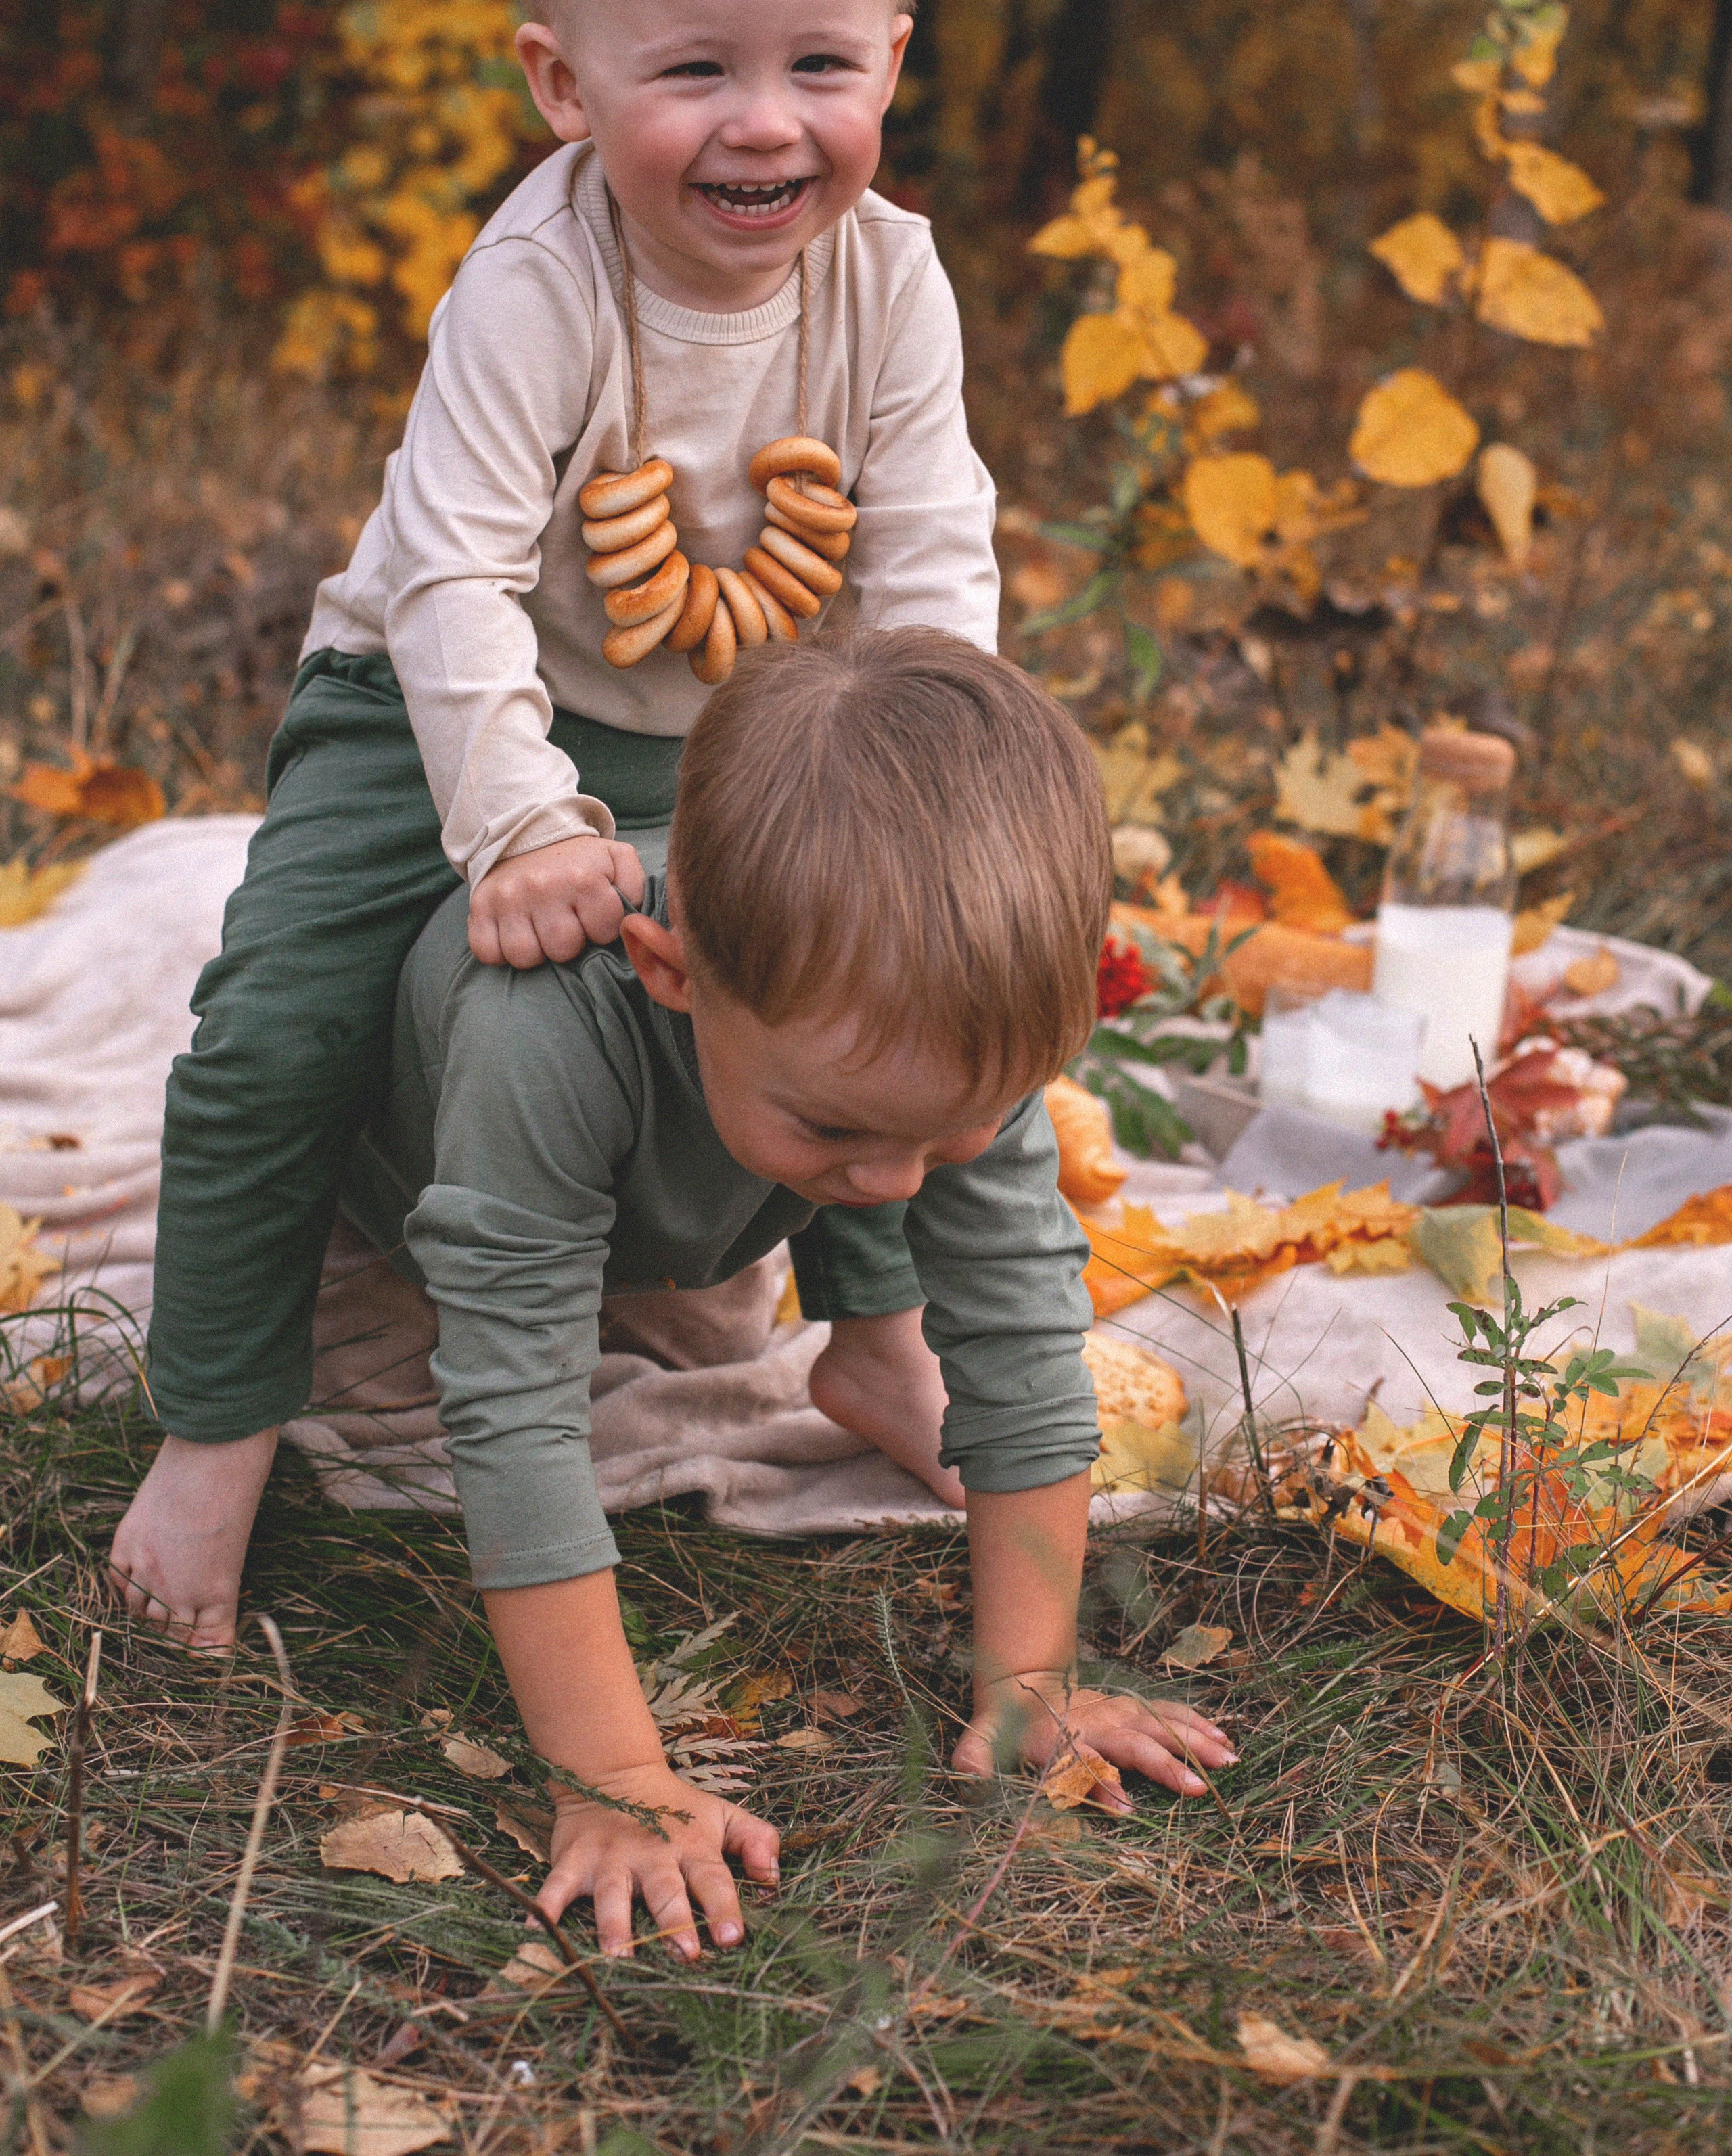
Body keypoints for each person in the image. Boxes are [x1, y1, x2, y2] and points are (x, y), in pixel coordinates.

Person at [110, 0, 1003, 1646]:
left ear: (893, 61)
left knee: (876, 965)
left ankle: (877, 1332)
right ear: (563, 82)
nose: (765, 125)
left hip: (750, 709)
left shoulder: (894, 285)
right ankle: (218, 1424)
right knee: (279, 1024)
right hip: (431, 700)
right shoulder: (539, 284)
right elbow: (446, 574)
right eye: (694, 70)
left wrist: (952, 793)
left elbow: (930, 555)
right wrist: (515, 823)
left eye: (819, 66)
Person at [338, 633, 1235, 1950]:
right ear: (670, 977)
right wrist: (614, 1781)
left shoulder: (938, 1055)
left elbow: (1023, 1340)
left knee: (776, 1247)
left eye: (945, 1136)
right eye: (835, 1133)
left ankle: (833, 1317)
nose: (890, 1183)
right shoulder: (544, 1029)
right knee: (375, 1405)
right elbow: (517, 1418)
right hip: (389, 1217)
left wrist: (1029, 1682)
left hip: (680, 1202)